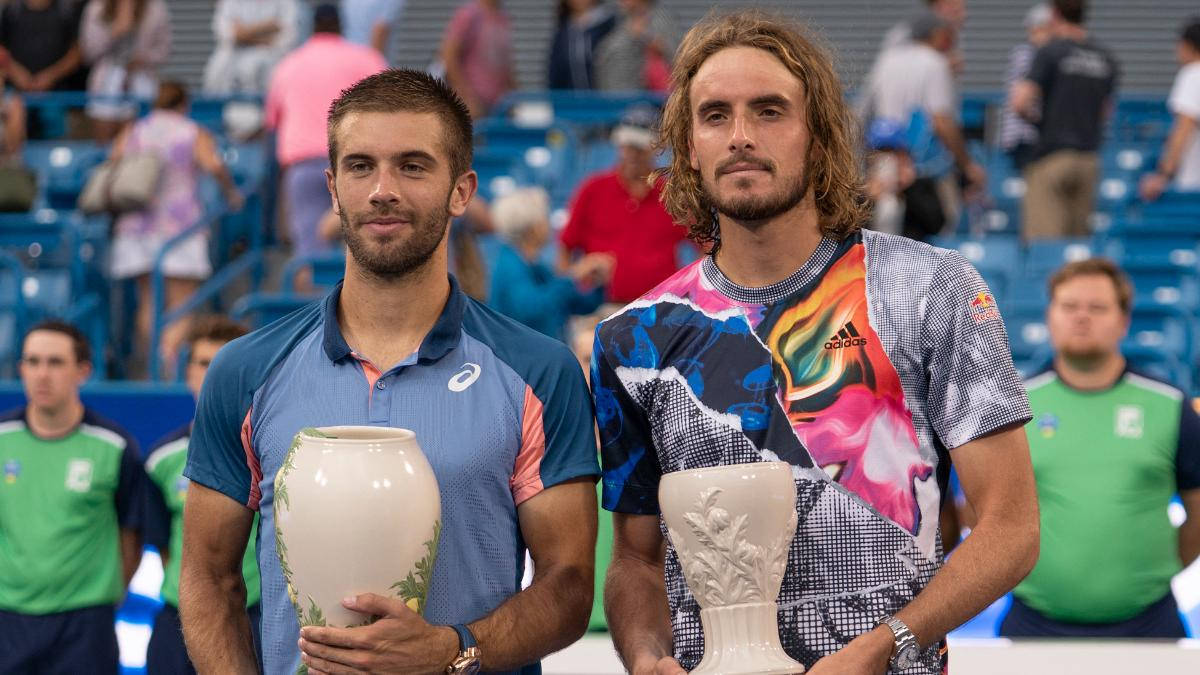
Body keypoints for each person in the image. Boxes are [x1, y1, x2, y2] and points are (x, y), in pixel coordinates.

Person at [594, 11, 1039, 674]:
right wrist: (645, 654)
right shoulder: (631, 338)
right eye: (715, 115)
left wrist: (881, 644)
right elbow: (635, 558)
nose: (741, 136)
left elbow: (1011, 526)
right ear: (688, 145)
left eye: (770, 111)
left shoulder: (930, 288)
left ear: (819, 134)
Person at [180, 68, 600, 675]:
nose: (382, 190)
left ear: (461, 190)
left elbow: (568, 585)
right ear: (331, 187)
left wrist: (455, 651)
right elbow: (208, 578)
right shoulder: (244, 371)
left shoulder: (539, 371)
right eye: (359, 166)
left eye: (413, 165)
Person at [1003, 258, 1200, 637]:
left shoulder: (1169, 405)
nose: (1082, 317)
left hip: (1148, 626)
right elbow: (981, 513)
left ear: (1124, 321)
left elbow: (1198, 511)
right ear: (1050, 316)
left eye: (1097, 308)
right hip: (1033, 625)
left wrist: (1146, 575)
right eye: (1070, 306)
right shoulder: (1013, 407)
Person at [0, 320, 147, 674]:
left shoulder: (114, 446)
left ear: (83, 370)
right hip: (8, 621)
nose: (42, 374)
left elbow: (132, 536)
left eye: (55, 362)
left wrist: (100, 596)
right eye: (32, 362)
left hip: (84, 628)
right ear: (20, 368)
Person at [143, 315, 262, 674]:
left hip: (257, 614)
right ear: (188, 373)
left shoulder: (276, 453)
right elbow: (162, 543)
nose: (212, 374)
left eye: (224, 364)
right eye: (203, 363)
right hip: (178, 620)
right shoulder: (162, 459)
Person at [108, 80, 243, 379]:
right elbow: (214, 166)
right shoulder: (191, 130)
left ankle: (154, 363)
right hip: (180, 226)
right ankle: (167, 362)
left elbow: (113, 162)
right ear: (184, 104)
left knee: (148, 301)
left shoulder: (135, 129)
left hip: (137, 225)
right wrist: (231, 193)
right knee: (182, 305)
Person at [265, 2, 387, 268]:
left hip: (304, 165)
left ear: (313, 27)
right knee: (367, 251)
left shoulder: (288, 65)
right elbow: (390, 109)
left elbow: (271, 121)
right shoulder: (365, 57)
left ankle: (313, 308)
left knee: (308, 256)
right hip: (356, 163)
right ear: (341, 25)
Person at [559, 104, 688, 305]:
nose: (632, 154)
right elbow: (565, 247)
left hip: (660, 310)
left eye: (639, 147)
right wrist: (571, 286)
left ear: (654, 148)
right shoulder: (593, 189)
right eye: (627, 146)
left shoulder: (672, 194)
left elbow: (704, 245)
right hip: (601, 307)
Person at [1012, 0, 1118, 239]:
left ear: (1055, 14)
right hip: (1089, 160)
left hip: (1052, 157)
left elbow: (1020, 102)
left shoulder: (1050, 51)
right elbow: (1105, 112)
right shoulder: (1105, 58)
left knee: (1045, 247)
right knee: (1076, 248)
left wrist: (1038, 121)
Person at [860, 10, 986, 207]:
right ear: (936, 34)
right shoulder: (934, 63)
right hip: (923, 169)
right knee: (934, 229)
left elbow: (864, 111)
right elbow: (941, 121)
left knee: (885, 229)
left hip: (884, 159)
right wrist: (967, 165)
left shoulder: (887, 59)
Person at [489, 186, 612, 340]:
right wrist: (573, 276)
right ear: (533, 228)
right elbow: (531, 310)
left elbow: (577, 304)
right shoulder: (509, 266)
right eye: (545, 218)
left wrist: (598, 283)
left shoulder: (535, 266)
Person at [79, 0, 171, 142]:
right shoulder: (97, 7)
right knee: (104, 139)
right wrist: (115, 31)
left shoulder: (155, 7)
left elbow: (164, 50)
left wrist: (143, 59)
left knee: (139, 137)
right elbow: (89, 52)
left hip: (142, 79)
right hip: (106, 81)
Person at [1140, 17, 1200, 201]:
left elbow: (1184, 127)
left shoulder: (1193, 75)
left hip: (1193, 191)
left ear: (1187, 45)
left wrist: (1162, 175)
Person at [202, 0, 300, 96]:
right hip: (226, 74)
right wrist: (267, 27)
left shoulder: (287, 3)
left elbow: (287, 38)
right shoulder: (230, 3)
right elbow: (227, 35)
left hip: (269, 74)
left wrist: (244, 33)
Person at [1000, 4, 1054, 173]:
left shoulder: (1047, 54)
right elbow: (1024, 99)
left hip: (1038, 136)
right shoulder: (1025, 54)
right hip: (1025, 137)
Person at [439, 0, 515, 119]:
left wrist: (516, 95)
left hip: (499, 106)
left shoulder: (502, 17)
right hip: (475, 107)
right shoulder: (470, 14)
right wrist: (465, 96)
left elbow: (505, 65)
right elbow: (448, 56)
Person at [0, 0, 85, 93]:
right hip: (14, 92)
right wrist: (15, 72)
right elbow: (2, 48)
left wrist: (50, 76)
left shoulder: (67, 11)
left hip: (57, 94)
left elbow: (77, 53)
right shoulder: (11, 10)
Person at [593, 0, 678, 92]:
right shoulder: (617, 18)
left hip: (645, 98)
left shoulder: (659, 19)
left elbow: (673, 54)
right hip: (614, 92)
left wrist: (646, 36)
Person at [547, 0, 616, 90]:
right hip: (570, 100)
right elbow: (555, 71)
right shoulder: (563, 31)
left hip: (602, 99)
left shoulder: (609, 25)